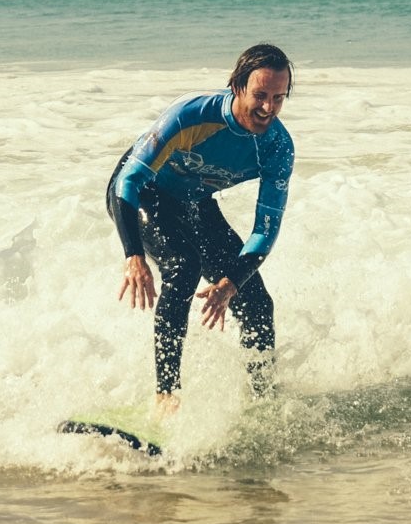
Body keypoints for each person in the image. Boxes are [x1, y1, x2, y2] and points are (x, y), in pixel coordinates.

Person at [108, 44, 295, 412]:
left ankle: (264, 404)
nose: (268, 108)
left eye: (278, 98)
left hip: (194, 201)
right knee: (183, 267)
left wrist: (230, 284)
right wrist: (133, 256)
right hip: (143, 195)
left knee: (255, 301)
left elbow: (265, 230)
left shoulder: (277, 146)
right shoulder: (192, 115)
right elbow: (127, 182)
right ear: (237, 86)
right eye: (260, 95)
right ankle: (166, 396)